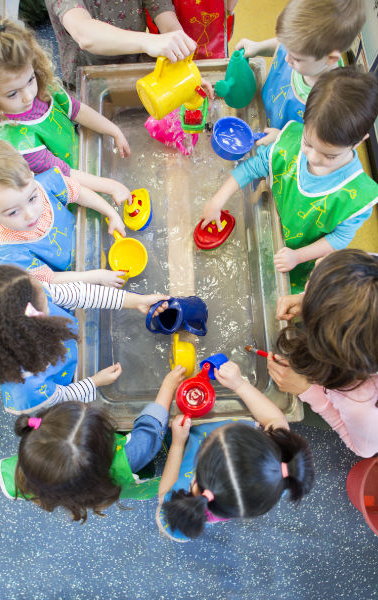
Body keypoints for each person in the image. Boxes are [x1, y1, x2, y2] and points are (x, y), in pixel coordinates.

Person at [201, 67, 378, 293]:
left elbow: (340, 238)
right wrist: (217, 201)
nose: (312, 158)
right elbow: (254, 166)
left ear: (359, 142)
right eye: (308, 143)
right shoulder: (292, 139)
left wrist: (298, 256)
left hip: (302, 256)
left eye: (329, 156)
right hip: (277, 228)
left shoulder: (357, 195)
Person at [0, 257, 170, 414]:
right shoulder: (29, 389)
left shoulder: (26, 292)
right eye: (46, 302)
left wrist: (137, 301)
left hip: (62, 348)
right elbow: (62, 397)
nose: (48, 293)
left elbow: (80, 294)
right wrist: (94, 382)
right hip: (65, 378)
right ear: (31, 329)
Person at [0, 12, 133, 204]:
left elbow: (76, 109)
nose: (28, 96)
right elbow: (63, 174)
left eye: (30, 80)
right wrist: (111, 186)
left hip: (81, 160)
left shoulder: (43, 87)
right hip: (70, 189)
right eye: (12, 94)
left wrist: (113, 130)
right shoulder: (16, 140)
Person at [0, 366, 187, 521]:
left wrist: (94, 381)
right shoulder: (125, 461)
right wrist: (168, 386)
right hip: (125, 475)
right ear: (104, 448)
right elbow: (149, 433)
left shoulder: (35, 463)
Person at [156, 360, 314, 541]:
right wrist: (239, 385)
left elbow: (163, 494)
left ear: (199, 476)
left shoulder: (184, 506)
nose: (214, 434)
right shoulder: (276, 476)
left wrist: (177, 444)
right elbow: (274, 420)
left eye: (210, 442)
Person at [268, 249, 378, 458]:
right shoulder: (370, 268)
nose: (318, 263)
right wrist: (307, 300)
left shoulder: (361, 405)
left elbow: (363, 450)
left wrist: (308, 390)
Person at [0, 139, 128, 286]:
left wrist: (111, 213)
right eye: (13, 212)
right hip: (75, 276)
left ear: (31, 175)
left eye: (32, 199)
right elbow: (51, 279)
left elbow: (79, 193)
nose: (30, 214)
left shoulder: (45, 184)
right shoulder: (11, 254)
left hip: (86, 241)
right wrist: (96, 277)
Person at [235, 0, 365, 132]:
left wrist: (281, 137)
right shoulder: (303, 51)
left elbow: (311, 139)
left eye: (296, 58)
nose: (286, 58)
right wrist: (258, 47)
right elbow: (283, 45)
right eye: (287, 48)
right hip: (267, 111)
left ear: (330, 59)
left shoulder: (330, 103)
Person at [44, 0, 197, 90]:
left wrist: (185, 71)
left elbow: (167, 20)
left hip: (138, 75)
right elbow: (84, 33)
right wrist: (148, 41)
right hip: (90, 83)